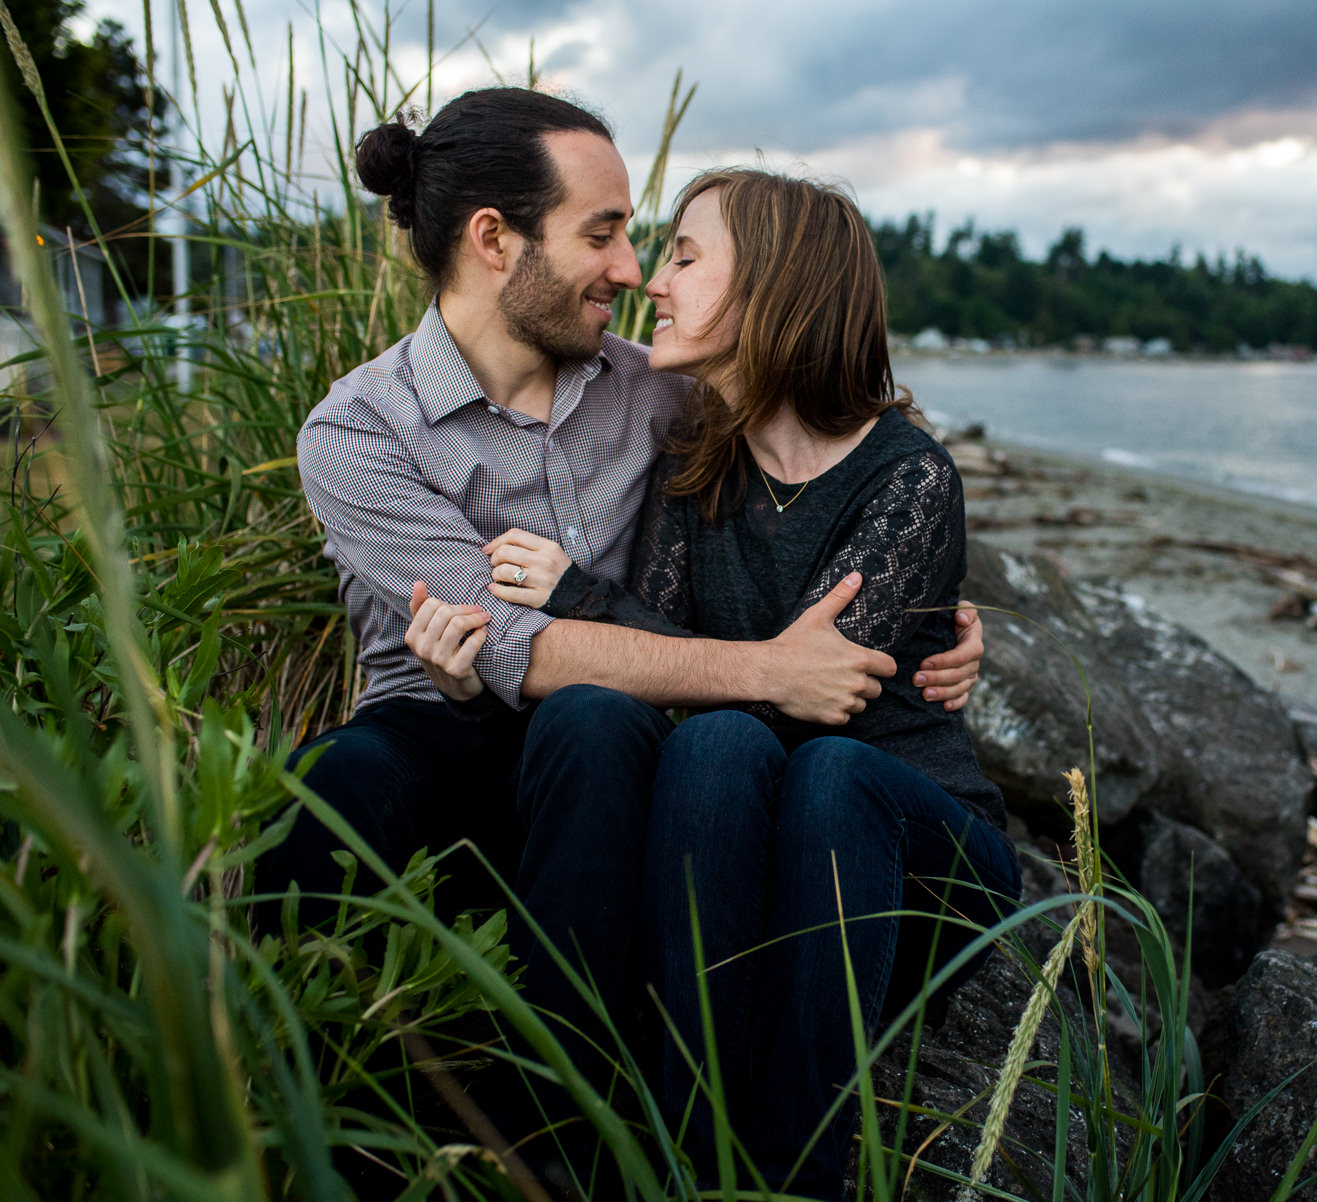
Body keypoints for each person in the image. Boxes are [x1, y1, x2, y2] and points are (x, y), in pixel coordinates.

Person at [269, 86, 985, 1176]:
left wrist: (955, 629)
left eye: (651, 243)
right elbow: (521, 647)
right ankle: (290, 1109)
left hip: (617, 734)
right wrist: (773, 671)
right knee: (333, 789)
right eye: (604, 234)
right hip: (450, 721)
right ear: (495, 240)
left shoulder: (660, 389)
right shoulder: (359, 428)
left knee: (607, 729)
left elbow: (831, 435)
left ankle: (570, 1140)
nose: (631, 267)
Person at [411, 169, 1020, 1199]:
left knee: (821, 765)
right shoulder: (698, 460)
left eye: (688, 257)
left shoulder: (910, 477)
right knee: (714, 742)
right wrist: (660, 657)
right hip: (758, 852)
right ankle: (677, 1147)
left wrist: (584, 600)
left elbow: (814, 691)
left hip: (906, 849)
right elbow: (700, 684)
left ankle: (797, 1177)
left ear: (777, 289)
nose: (655, 280)